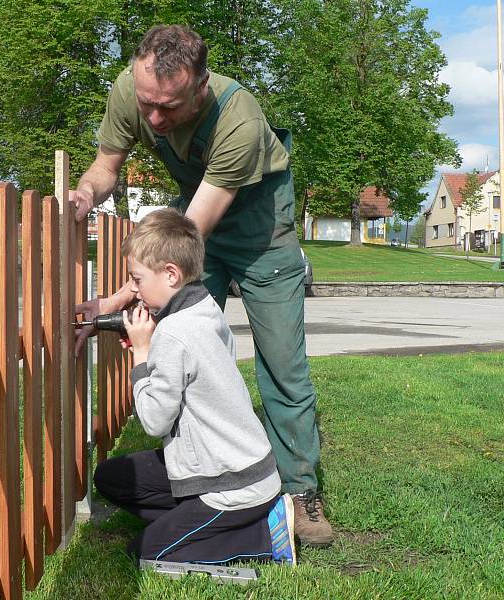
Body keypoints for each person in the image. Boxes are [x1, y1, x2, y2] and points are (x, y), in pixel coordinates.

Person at [71, 24, 333, 547]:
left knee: (282, 364)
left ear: (200, 86)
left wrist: (124, 294)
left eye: (168, 108)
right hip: (195, 215)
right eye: (147, 104)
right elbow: (105, 167)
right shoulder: (131, 89)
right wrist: (83, 195)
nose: (154, 118)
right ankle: (196, 476)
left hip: (258, 228)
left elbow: (189, 237)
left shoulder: (240, 119)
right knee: (181, 347)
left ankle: (300, 492)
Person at [93, 208, 296, 565]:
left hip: (233, 486)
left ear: (170, 274)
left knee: (144, 552)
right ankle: (200, 524)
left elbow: (154, 421)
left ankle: (264, 536)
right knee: (111, 478)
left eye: (137, 280)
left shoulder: (174, 333)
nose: (134, 291)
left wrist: (141, 355)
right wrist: (154, 345)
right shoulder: (203, 305)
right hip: (233, 464)